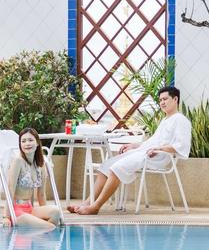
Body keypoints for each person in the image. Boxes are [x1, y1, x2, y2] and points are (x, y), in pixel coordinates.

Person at [68, 85, 191, 215]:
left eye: (165, 99)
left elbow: (181, 146)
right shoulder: (165, 120)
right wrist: (134, 146)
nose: (162, 103)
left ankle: (96, 206)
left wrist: (159, 148)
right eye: (160, 100)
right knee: (106, 166)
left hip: (158, 156)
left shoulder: (180, 120)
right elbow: (151, 142)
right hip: (147, 152)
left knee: (117, 168)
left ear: (175, 99)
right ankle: (87, 203)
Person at [3, 127, 63, 229]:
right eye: (23, 141)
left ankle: (42, 238)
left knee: (56, 212)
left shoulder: (40, 164)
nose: (27, 144)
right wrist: (6, 216)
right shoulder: (18, 161)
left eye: (30, 140)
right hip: (17, 211)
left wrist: (45, 215)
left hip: (30, 209)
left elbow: (41, 194)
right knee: (50, 227)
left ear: (37, 143)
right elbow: (10, 189)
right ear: (20, 145)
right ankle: (45, 237)